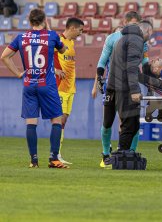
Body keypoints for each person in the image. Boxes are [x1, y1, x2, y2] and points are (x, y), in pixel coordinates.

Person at [0, 9, 68, 168]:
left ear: (30, 22)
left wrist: (18, 73)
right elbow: (63, 50)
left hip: (29, 85)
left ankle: (34, 160)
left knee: (31, 122)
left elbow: (4, 56)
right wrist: (49, 30)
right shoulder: (51, 36)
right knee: (56, 120)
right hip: (47, 85)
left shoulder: (21, 37)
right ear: (45, 20)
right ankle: (53, 159)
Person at [92, 12, 145, 168]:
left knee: (128, 122)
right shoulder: (112, 38)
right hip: (112, 85)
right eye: (133, 24)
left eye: (137, 25)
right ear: (125, 22)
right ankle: (105, 155)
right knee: (107, 121)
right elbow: (101, 61)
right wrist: (99, 80)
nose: (135, 27)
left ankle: (129, 153)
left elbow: (145, 61)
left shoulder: (141, 40)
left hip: (129, 86)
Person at [105, 22, 151, 151]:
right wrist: (135, 90)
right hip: (124, 88)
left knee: (133, 124)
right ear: (146, 31)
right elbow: (131, 68)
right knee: (129, 125)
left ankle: (124, 154)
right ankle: (122, 155)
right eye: (150, 33)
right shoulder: (136, 40)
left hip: (116, 85)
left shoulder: (124, 38)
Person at [53, 17, 85, 165]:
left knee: (63, 121)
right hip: (60, 88)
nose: (81, 33)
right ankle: (55, 154)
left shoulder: (71, 43)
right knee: (59, 120)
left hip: (70, 88)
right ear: (72, 28)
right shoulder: (58, 41)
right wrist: (56, 69)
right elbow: (47, 58)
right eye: (80, 30)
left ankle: (57, 153)